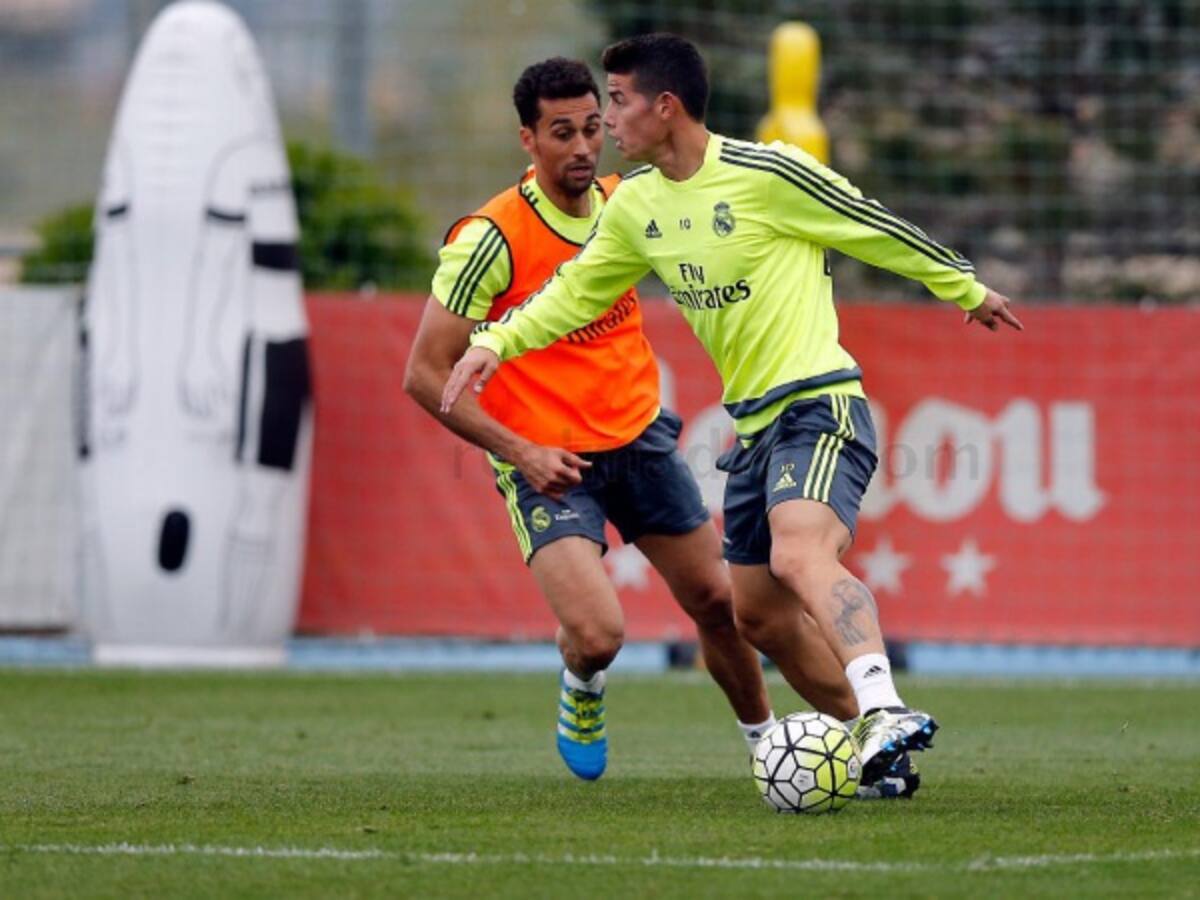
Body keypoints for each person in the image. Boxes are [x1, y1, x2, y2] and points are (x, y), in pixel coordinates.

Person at [441, 34, 1023, 789]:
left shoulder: (767, 173)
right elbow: (575, 292)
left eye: (615, 102)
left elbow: (869, 222)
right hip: (752, 432)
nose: (605, 122)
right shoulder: (637, 204)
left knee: (799, 554)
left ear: (665, 106)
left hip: (818, 404)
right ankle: (874, 752)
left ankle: (884, 707)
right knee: (759, 618)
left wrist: (964, 287)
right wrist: (496, 341)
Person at [404, 57, 860, 783]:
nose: (584, 146)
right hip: (547, 462)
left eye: (593, 127)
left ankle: (767, 744)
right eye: (562, 133)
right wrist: (519, 451)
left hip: (639, 439)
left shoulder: (631, 204)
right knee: (599, 635)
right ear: (528, 140)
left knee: (719, 601)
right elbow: (425, 373)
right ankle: (582, 682)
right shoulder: (489, 238)